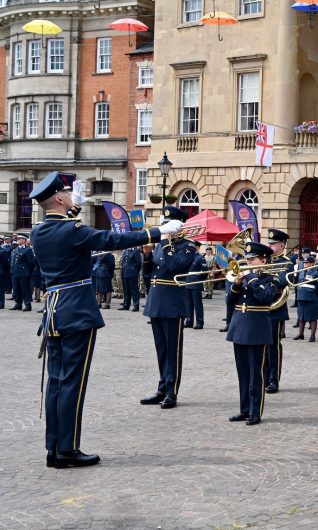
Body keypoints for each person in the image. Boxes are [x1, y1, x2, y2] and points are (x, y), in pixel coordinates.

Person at [29, 171, 179, 468]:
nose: (72, 198)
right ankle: (68, 451)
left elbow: (67, 226)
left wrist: (75, 208)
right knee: (73, 382)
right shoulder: (72, 231)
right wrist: (159, 232)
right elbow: (113, 238)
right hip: (76, 312)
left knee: (57, 382)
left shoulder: (39, 231)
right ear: (58, 198)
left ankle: (54, 448)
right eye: (68, 194)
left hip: (55, 312)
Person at [140, 206, 197, 410]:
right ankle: (162, 388)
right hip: (156, 302)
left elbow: (174, 267)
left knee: (173, 350)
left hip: (173, 303)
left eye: (169, 224)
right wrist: (146, 255)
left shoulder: (188, 246)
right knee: (161, 350)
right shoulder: (160, 245)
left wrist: (164, 243)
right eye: (164, 224)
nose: (164, 228)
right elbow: (149, 275)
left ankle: (172, 391)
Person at [226, 241, 280, 425]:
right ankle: (244, 409)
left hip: (257, 329)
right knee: (242, 372)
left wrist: (251, 279)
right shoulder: (245, 277)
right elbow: (229, 301)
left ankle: (255, 411)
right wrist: (236, 285)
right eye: (247, 259)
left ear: (263, 260)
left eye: (252, 259)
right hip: (239, 326)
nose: (248, 262)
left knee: (256, 372)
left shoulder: (271, 279)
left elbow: (264, 298)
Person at [265, 229, 293, 393]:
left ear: (282, 245)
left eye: (273, 243)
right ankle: (263, 376)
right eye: (269, 243)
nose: (270, 245)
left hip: (275, 306)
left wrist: (267, 278)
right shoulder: (264, 259)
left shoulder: (286, 262)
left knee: (273, 345)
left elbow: (283, 281)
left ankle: (274, 380)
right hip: (260, 305)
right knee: (261, 344)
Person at [295, 254, 318, 342]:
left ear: (312, 263)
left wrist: (314, 294)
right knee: (301, 317)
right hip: (301, 296)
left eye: (307, 263)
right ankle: (300, 334)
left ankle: (312, 336)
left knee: (312, 317)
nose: (305, 264)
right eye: (305, 263)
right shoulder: (303, 271)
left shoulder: (317, 272)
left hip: (311, 297)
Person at [183, 242, 207, 329]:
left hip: (196, 282)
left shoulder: (200, 258)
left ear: (197, 247)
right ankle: (189, 320)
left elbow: (205, 271)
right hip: (187, 282)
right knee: (188, 303)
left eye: (193, 247)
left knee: (197, 304)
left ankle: (199, 322)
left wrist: (200, 280)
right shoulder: (188, 256)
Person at [10, 234, 35, 311]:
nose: (17, 240)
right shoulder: (15, 250)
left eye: (19, 238)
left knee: (25, 289)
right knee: (16, 289)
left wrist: (27, 272)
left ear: (24, 240)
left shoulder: (27, 250)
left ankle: (28, 304)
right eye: (17, 239)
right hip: (15, 273)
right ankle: (18, 304)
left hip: (24, 273)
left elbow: (32, 263)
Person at [118, 246, 143, 312]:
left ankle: (136, 306)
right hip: (125, 272)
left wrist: (135, 271)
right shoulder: (125, 251)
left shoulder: (135, 251)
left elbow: (139, 263)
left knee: (134, 290)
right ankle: (126, 305)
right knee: (126, 290)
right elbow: (123, 263)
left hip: (132, 273)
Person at [0, 235, 10, 309]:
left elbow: (6, 263)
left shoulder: (3, 252)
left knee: (1, 289)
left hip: (1, 272)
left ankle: (1, 303)